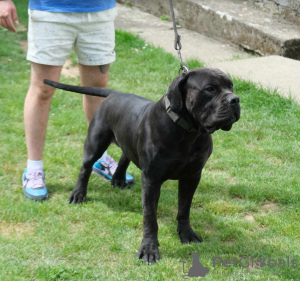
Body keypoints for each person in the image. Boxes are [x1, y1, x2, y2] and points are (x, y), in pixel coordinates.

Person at [0, 0, 135, 200]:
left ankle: (100, 157)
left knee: (97, 91)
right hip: (50, 11)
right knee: (42, 89)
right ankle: (34, 169)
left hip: (99, 11)